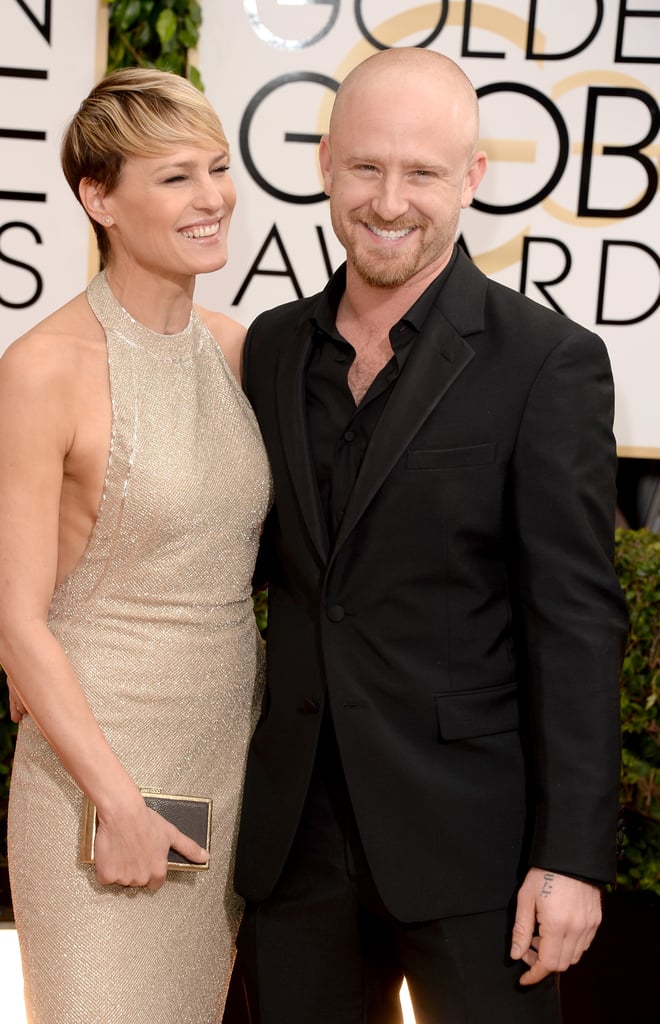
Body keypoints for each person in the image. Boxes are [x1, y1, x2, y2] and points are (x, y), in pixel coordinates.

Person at [232, 47, 628, 1023]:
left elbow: (575, 623)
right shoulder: (274, 346)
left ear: (473, 180)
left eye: (423, 172)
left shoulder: (547, 363)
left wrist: (572, 858)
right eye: (367, 166)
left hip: (478, 855)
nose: (390, 200)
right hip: (297, 851)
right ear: (325, 163)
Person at [0, 68, 271, 1024]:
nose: (213, 197)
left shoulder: (237, 352)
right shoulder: (42, 369)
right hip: (95, 773)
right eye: (176, 176)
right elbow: (17, 621)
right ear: (97, 198)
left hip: (228, 758)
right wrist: (117, 801)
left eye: (218, 168)